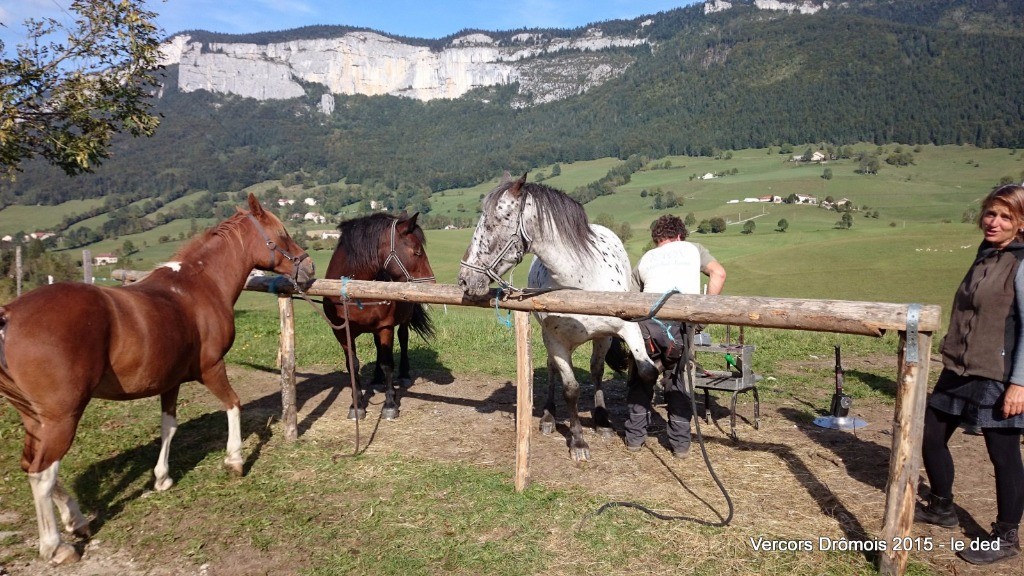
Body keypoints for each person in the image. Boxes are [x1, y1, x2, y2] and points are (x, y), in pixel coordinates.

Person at [915, 184, 1024, 565]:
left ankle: (1007, 537)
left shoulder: (1022, 262)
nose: (994, 222)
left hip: (998, 372)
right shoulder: (986, 253)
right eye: (990, 213)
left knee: (1003, 454)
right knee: (929, 433)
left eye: (1005, 216)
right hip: (959, 365)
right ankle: (942, 505)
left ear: (1021, 223)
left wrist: (1019, 384)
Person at [623, 214, 726, 458]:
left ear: (657, 239)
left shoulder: (647, 257)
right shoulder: (693, 249)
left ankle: (635, 440)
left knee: (640, 377)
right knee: (679, 380)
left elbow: (630, 296)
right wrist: (703, 315)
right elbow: (719, 274)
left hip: (647, 326)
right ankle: (680, 446)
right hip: (680, 326)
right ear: (679, 235)